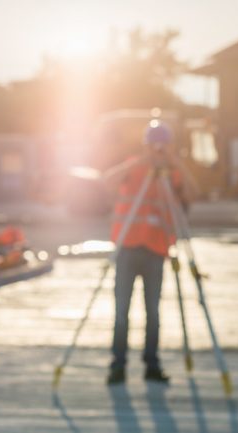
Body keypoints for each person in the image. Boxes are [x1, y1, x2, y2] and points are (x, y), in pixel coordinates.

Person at [104, 120, 198, 385]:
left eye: (163, 146)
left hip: (156, 250)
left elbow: (194, 194)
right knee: (121, 311)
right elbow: (106, 181)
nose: (158, 151)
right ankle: (118, 365)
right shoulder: (133, 167)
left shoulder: (174, 174)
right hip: (127, 248)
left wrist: (176, 163)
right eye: (154, 146)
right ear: (145, 146)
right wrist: (141, 161)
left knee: (153, 313)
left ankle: (151, 364)